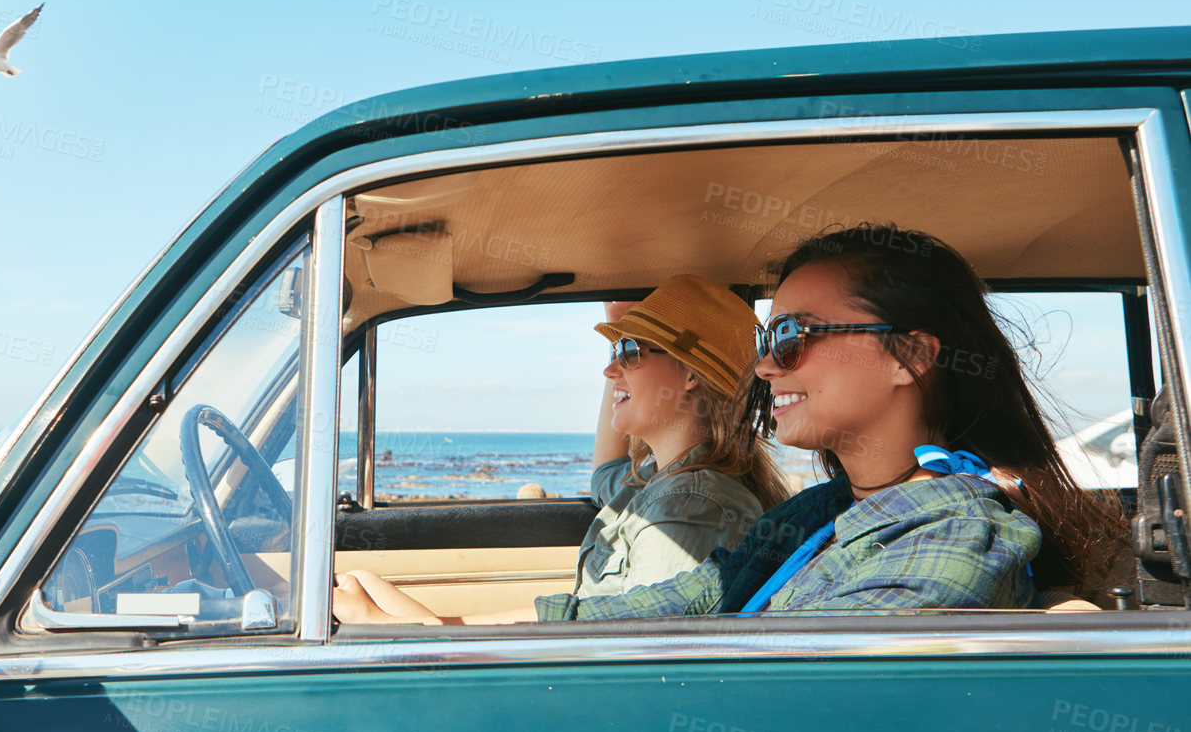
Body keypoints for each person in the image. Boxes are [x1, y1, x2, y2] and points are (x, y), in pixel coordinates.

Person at [334, 223, 1124, 625]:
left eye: (793, 337)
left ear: (908, 355)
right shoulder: (827, 510)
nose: (767, 367)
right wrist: (444, 627)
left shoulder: (953, 537)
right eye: (766, 341)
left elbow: (796, 707)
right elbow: (683, 600)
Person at [335, 274, 791, 624]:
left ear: (692, 374)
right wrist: (429, 626)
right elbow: (604, 474)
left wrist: (430, 629)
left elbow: (632, 645)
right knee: (362, 584)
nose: (610, 371)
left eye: (629, 351)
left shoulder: (694, 503)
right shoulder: (660, 479)